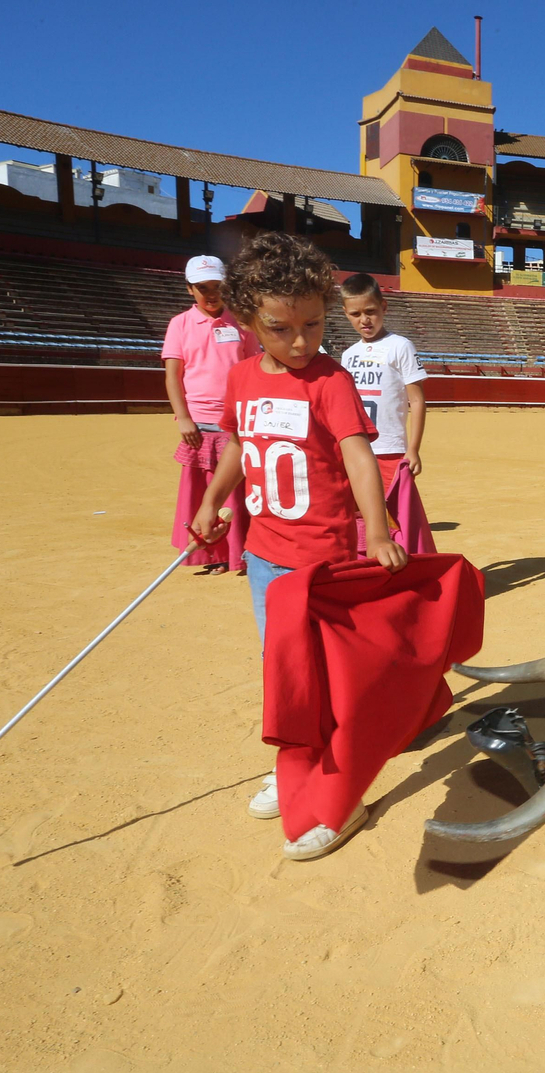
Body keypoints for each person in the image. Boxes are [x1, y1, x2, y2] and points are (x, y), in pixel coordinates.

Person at [190, 232, 408, 861]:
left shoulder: (330, 380)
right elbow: (238, 447)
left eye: (313, 325)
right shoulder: (240, 379)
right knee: (284, 671)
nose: (301, 342)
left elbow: (358, 456)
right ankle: (296, 766)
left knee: (324, 676)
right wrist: (212, 501)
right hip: (264, 557)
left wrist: (376, 530)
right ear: (248, 319)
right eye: (281, 329)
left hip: (322, 561)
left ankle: (340, 791)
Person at [162, 255, 258, 574]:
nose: (211, 293)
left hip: (235, 422)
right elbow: (173, 376)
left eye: (217, 286)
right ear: (190, 289)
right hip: (199, 424)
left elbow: (253, 369)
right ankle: (211, 554)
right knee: (201, 493)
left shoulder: (242, 323)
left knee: (235, 494)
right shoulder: (180, 324)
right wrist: (184, 418)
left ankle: (238, 553)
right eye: (203, 287)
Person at [340, 273, 436, 554]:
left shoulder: (400, 346)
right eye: (355, 314)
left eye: (370, 311)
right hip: (357, 450)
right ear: (346, 314)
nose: (364, 320)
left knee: (395, 519)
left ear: (383, 307)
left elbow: (417, 400)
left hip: (390, 449)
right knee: (360, 516)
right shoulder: (348, 355)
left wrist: (413, 449)